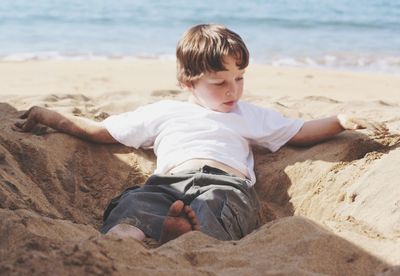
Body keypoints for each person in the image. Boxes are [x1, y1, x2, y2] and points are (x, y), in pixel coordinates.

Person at [13, 24, 388, 244]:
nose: (233, 90)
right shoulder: (164, 112)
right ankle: (130, 234)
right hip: (166, 180)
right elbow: (102, 132)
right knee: (134, 202)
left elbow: (298, 132)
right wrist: (54, 118)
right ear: (186, 82)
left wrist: (340, 119)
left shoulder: (247, 115)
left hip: (224, 180)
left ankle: (190, 236)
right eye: (219, 82)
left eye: (239, 79)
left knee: (219, 205)